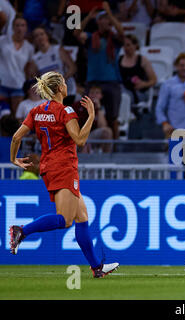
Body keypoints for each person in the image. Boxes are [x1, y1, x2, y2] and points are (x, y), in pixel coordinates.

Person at [8, 71, 119, 278]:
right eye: (65, 83)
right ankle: (21, 231)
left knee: (82, 216)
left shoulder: (36, 110)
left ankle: (96, 267)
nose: (67, 85)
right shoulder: (65, 110)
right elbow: (80, 140)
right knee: (65, 220)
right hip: (65, 167)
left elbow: (16, 137)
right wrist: (92, 116)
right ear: (59, 88)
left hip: (48, 167)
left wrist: (13, 159)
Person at [74, 2, 125, 139]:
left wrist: (109, 14)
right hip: (92, 82)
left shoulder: (114, 39)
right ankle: (87, 145)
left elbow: (122, 32)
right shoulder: (91, 38)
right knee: (86, 114)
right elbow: (77, 33)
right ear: (97, 22)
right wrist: (89, 16)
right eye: (102, 18)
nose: (105, 21)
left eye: (107, 19)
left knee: (113, 116)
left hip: (111, 81)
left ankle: (114, 147)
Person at [155, 53, 185, 138]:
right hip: (174, 129)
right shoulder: (167, 84)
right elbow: (159, 108)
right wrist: (164, 123)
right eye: (182, 65)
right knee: (175, 151)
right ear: (176, 66)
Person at [31, 26, 77, 105]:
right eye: (36, 36)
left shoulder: (57, 49)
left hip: (67, 92)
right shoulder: (34, 58)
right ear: (34, 40)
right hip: (50, 96)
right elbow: (34, 78)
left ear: (47, 35)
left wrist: (61, 81)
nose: (40, 37)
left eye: (42, 34)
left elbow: (73, 68)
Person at [0, 15, 34, 117]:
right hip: (2, 83)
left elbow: (29, 68)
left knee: (16, 117)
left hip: (18, 84)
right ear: (13, 27)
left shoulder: (30, 47)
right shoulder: (2, 40)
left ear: (26, 28)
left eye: (22, 25)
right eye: (17, 25)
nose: (20, 28)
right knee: (2, 116)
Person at [73, 85, 113, 153]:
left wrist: (98, 108)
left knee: (108, 132)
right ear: (88, 95)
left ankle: (106, 159)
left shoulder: (101, 108)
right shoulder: (79, 105)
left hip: (92, 135)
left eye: (97, 93)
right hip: (79, 134)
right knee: (84, 145)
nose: (94, 95)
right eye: (92, 93)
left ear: (101, 96)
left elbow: (102, 126)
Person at [119, 34, 157, 104]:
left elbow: (154, 80)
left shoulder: (142, 60)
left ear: (135, 45)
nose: (126, 48)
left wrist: (144, 84)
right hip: (123, 89)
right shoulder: (119, 59)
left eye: (128, 45)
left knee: (124, 97)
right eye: (124, 45)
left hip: (137, 92)